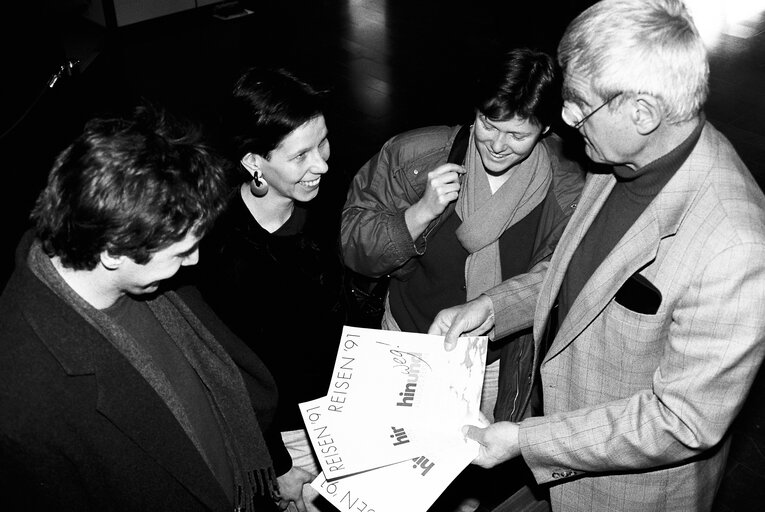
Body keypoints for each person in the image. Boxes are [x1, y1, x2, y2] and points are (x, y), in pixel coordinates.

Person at [429, 1, 765, 511]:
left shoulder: (736, 246)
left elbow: (683, 419)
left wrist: (526, 441)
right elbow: (575, 276)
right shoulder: (615, 159)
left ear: (644, 113)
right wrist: (494, 308)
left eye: (579, 104)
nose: (563, 119)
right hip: (553, 452)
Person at [0, 107, 308, 512]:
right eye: (181, 251)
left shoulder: (133, 267)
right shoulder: (23, 402)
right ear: (113, 251)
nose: (195, 261)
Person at [341, 47, 584, 424]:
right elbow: (354, 246)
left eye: (518, 135)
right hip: (409, 339)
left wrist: (493, 306)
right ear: (476, 110)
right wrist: (417, 214)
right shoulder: (417, 156)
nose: (498, 146)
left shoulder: (565, 187)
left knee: (469, 464)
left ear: (546, 129)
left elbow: (561, 274)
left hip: (494, 363)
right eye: (489, 124)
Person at [191, 68, 346, 512]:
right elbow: (224, 373)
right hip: (286, 436)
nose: (322, 163)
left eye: (323, 142)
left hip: (341, 410)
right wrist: (275, 462)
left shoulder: (316, 201)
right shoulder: (217, 249)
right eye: (300, 156)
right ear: (254, 162)